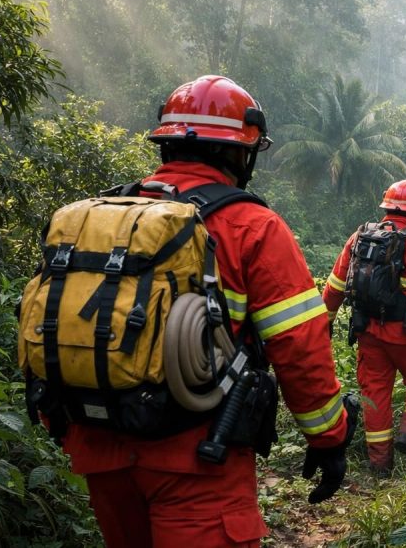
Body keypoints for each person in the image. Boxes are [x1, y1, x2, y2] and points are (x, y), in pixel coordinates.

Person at [59, 76, 353, 547]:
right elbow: (299, 346)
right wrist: (328, 438)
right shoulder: (252, 226)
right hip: (198, 458)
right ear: (237, 153)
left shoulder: (102, 216)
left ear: (167, 143)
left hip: (100, 450)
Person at [322, 179, 406, 476]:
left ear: (386, 207)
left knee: (375, 394)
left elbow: (335, 286)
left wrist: (326, 321)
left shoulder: (359, 238)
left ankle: (380, 465)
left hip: (368, 332)